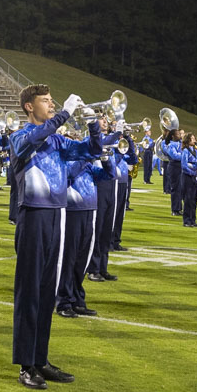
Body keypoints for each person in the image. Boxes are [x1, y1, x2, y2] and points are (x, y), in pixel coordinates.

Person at [9, 85, 100, 389]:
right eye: (45, 101)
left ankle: (41, 359)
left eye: (51, 101)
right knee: (30, 291)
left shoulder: (58, 139)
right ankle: (25, 364)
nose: (50, 104)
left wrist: (92, 122)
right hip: (34, 215)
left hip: (59, 215)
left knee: (48, 292)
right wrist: (63, 115)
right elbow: (32, 141)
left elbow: (93, 150)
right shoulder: (20, 136)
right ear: (29, 108)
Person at [58, 154, 103, 318]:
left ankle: (77, 300)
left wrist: (106, 159)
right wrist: (86, 157)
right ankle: (63, 301)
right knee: (69, 260)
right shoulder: (67, 162)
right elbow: (70, 173)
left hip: (90, 212)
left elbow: (108, 174)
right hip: (73, 213)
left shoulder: (88, 165)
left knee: (82, 261)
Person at [85, 120, 127, 281]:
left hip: (112, 185)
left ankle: (103, 267)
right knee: (98, 228)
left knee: (107, 230)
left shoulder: (112, 140)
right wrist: (117, 133)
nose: (105, 121)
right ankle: (92, 268)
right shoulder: (93, 138)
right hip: (99, 184)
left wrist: (124, 138)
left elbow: (117, 158)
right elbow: (101, 143)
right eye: (101, 119)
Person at [179, 132, 197, 227]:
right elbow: (184, 165)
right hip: (187, 177)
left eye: (194, 138)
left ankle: (193, 220)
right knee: (187, 199)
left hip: (193, 177)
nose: (194, 140)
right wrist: (192, 169)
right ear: (188, 140)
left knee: (193, 199)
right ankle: (187, 221)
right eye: (192, 138)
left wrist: (194, 165)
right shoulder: (185, 151)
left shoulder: (196, 151)